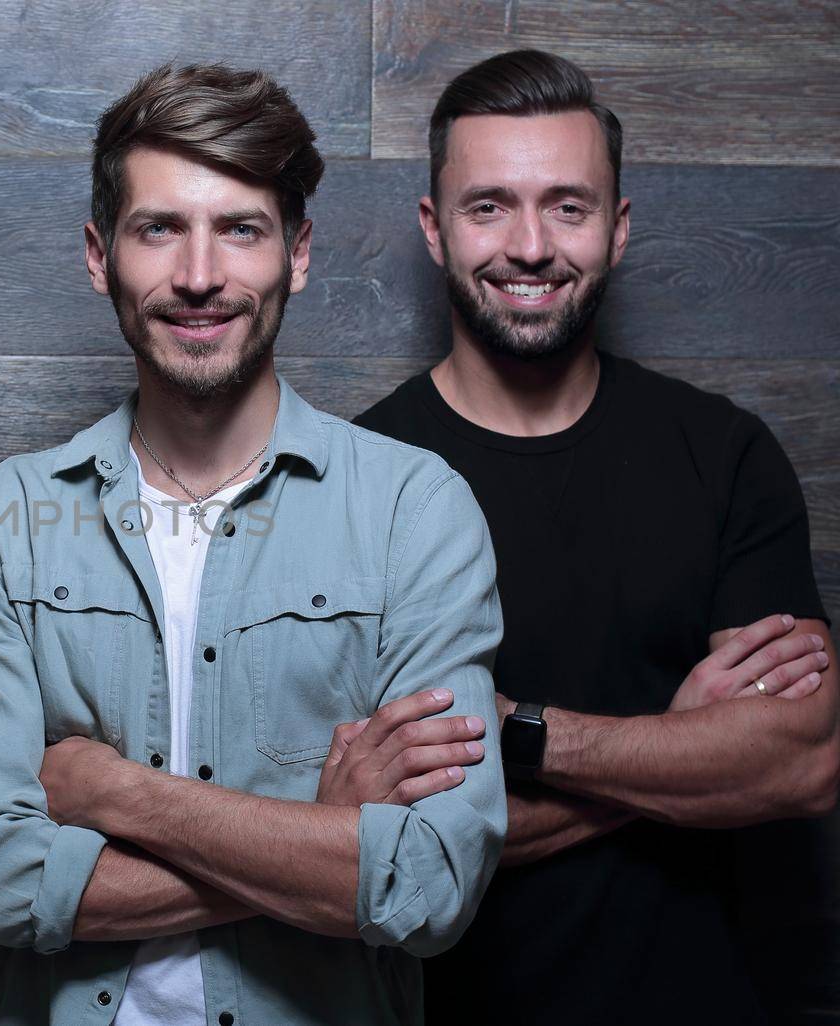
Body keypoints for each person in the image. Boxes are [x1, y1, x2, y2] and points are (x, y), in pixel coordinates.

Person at [0, 63, 507, 1026]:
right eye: (160, 228)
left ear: (299, 252)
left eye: (241, 228)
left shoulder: (415, 509)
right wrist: (322, 841)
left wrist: (111, 793)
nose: (200, 276)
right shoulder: (2, 523)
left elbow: (433, 887)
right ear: (99, 253)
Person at [354, 49, 838, 1025]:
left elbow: (801, 763)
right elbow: (383, 838)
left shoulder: (725, 454)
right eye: (487, 206)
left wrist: (515, 735)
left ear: (616, 231)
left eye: (567, 207)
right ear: (432, 230)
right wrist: (686, 746)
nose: (529, 246)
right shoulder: (361, 479)